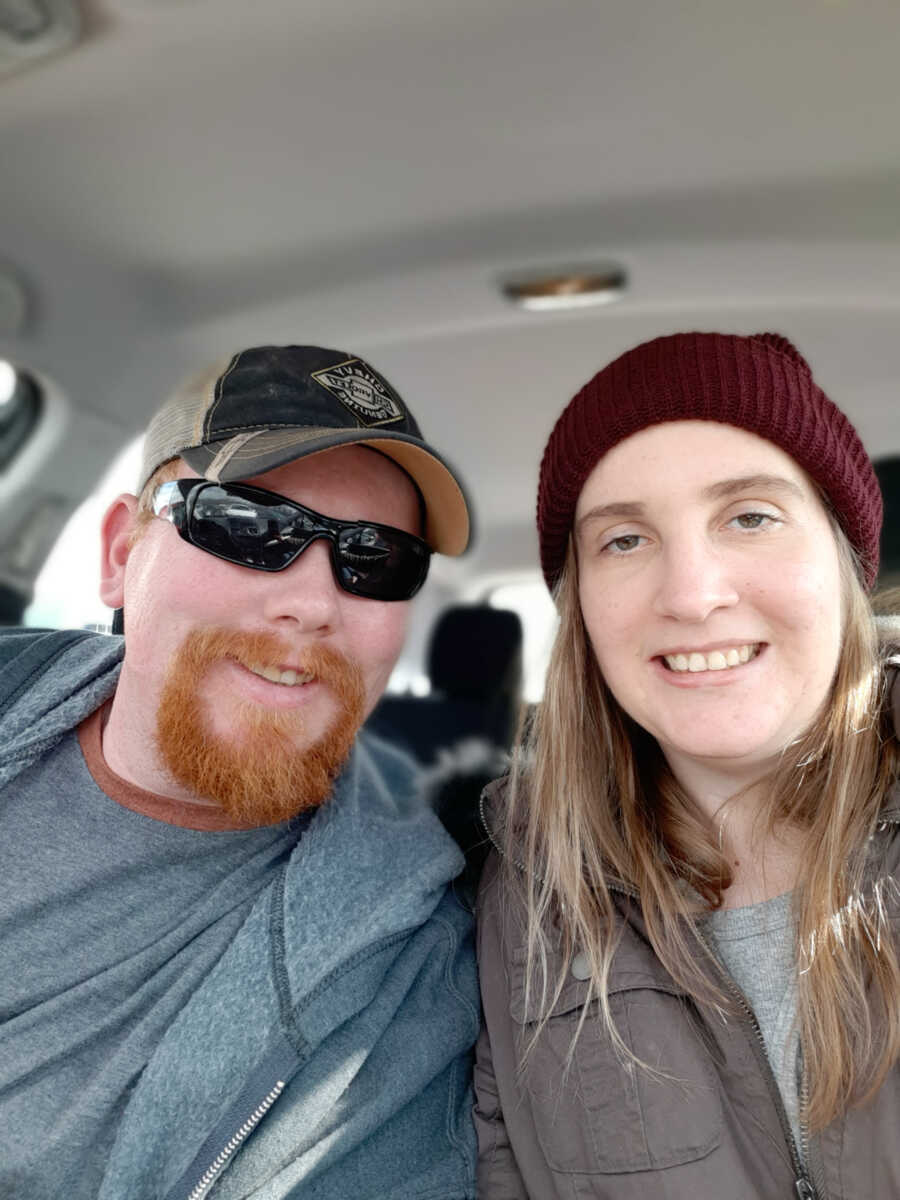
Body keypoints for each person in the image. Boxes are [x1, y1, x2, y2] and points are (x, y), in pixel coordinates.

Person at [0, 345, 479, 1200]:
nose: (312, 601)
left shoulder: (405, 974)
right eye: (249, 526)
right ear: (119, 554)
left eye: (376, 560)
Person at [474, 331, 900, 1199]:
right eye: (624, 541)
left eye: (750, 516)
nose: (693, 593)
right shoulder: (526, 895)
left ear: (846, 561)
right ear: (582, 609)